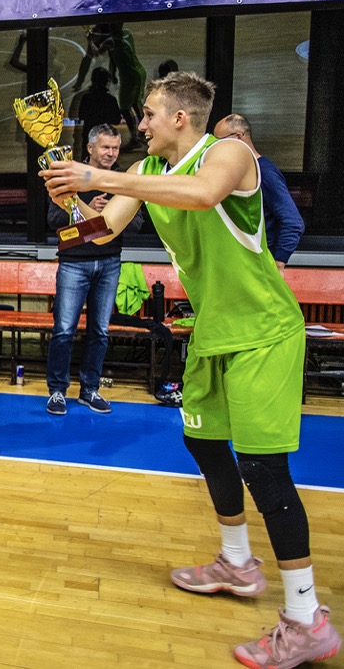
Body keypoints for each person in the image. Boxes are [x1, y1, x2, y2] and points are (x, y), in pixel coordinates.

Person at [43, 71, 340, 668]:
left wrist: (97, 175)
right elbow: (101, 230)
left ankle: (306, 619)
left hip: (263, 333)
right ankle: (237, 562)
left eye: (149, 114)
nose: (140, 124)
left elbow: (203, 194)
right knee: (203, 443)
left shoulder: (228, 153)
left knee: (264, 470)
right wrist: (70, 206)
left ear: (180, 117)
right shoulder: (149, 171)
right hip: (212, 333)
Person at [45, 124, 144, 416]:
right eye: (105, 147)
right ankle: (57, 391)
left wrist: (111, 214)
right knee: (64, 330)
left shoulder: (123, 182)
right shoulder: (72, 175)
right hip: (74, 262)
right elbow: (53, 219)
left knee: (100, 331)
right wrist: (88, 206)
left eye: (116, 148)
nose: (111, 153)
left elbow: (136, 226)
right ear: (90, 148)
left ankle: (90, 389)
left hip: (110, 261)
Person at [214, 113, 305, 273]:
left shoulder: (265, 172)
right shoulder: (239, 171)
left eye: (219, 142)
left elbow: (293, 222)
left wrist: (278, 264)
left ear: (238, 137)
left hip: (260, 264)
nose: (215, 148)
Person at [76, 68, 123, 150]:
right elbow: (116, 120)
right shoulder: (110, 100)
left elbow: (81, 115)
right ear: (106, 82)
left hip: (89, 135)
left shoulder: (86, 98)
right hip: (105, 136)